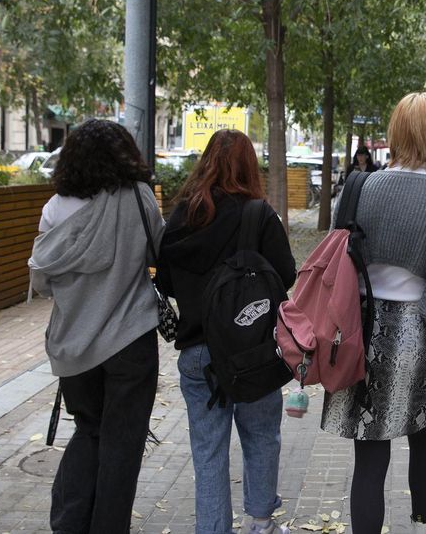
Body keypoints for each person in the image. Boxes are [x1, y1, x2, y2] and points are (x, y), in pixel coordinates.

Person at [321, 92, 426, 534]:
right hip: (420, 338)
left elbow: (340, 265)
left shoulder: (360, 189)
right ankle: (423, 524)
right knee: (424, 435)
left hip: (363, 331)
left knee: (369, 455)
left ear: (396, 133)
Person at [156, 128, 296, 534]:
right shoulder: (258, 214)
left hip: (198, 353)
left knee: (207, 451)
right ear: (250, 166)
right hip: (253, 351)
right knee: (262, 437)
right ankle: (260, 523)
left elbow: (164, 281)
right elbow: (285, 275)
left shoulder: (183, 215)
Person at [28, 119, 162, 532]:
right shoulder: (140, 199)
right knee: (123, 446)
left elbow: (42, 282)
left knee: (88, 431)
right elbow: (158, 252)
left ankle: (70, 524)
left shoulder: (56, 207)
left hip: (75, 346)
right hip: (131, 340)